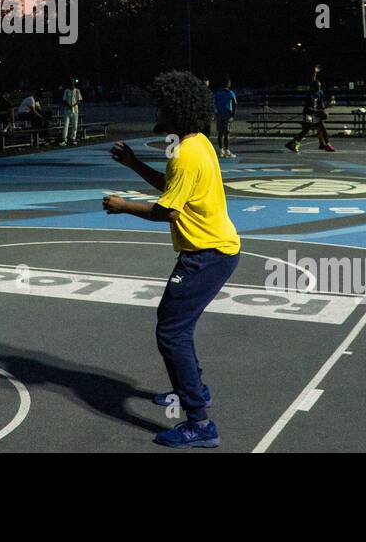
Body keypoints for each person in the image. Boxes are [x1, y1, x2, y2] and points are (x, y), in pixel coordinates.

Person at [102, 70, 240, 449]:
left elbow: (167, 212)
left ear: (176, 109)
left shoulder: (184, 154)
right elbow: (172, 190)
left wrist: (123, 206)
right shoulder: (196, 144)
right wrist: (133, 164)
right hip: (216, 250)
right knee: (178, 326)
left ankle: (199, 422)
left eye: (162, 104)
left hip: (207, 255)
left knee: (171, 331)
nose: (157, 109)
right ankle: (196, 388)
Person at [286, 79, 334, 153]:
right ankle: (293, 143)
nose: (319, 88)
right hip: (308, 114)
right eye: (317, 86)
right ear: (313, 87)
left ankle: (327, 144)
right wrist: (319, 111)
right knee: (306, 131)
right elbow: (308, 108)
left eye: (320, 86)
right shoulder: (309, 95)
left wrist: (324, 111)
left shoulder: (319, 93)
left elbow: (321, 105)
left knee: (322, 127)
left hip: (315, 114)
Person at [212, 78, 237, 157]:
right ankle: (227, 150)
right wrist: (233, 114)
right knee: (226, 133)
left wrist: (215, 112)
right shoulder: (230, 93)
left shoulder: (217, 93)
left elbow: (213, 102)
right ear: (228, 84)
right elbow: (235, 103)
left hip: (219, 114)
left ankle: (220, 151)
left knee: (220, 133)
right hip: (227, 114)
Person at [60, 77, 83, 146]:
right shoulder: (66, 91)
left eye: (73, 83)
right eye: (71, 83)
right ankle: (64, 139)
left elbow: (80, 100)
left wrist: (74, 104)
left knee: (75, 125)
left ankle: (73, 138)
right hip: (67, 110)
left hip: (75, 110)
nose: (72, 84)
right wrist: (69, 105)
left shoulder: (77, 91)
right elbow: (64, 100)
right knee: (66, 125)